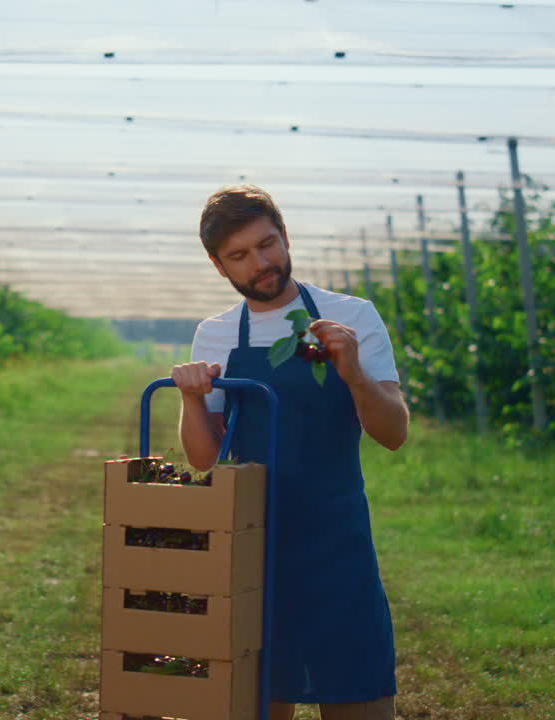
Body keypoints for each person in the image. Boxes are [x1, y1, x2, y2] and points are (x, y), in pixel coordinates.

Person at [171, 185, 408, 720]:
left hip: (337, 541)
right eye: (239, 255)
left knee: (360, 693)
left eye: (267, 244)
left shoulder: (352, 316)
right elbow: (204, 459)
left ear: (284, 236)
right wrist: (191, 398)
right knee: (259, 696)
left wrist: (353, 373)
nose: (260, 264)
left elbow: (393, 432)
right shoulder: (216, 334)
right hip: (253, 546)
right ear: (218, 265)